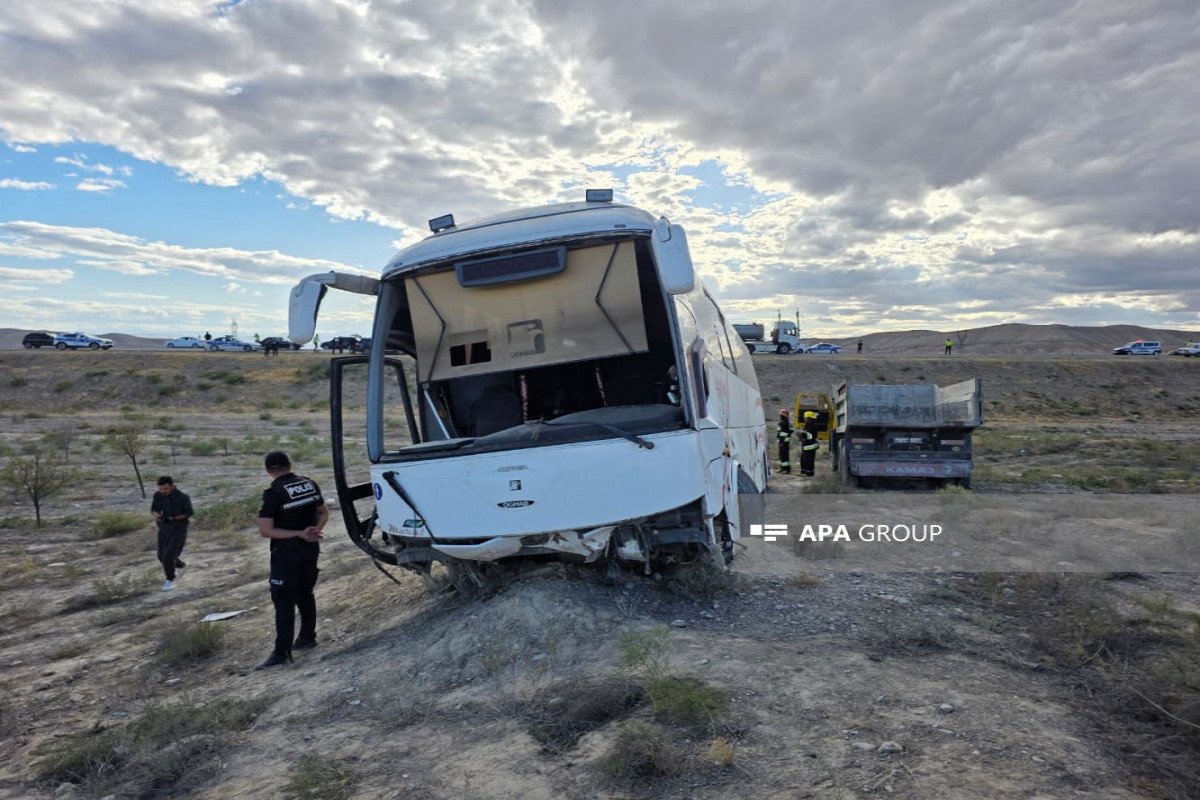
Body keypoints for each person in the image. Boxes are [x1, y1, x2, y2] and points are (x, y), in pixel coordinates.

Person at [255, 451, 328, 670]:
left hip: (287, 553)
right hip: (310, 548)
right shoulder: (309, 483)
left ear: (268, 470)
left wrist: (297, 534)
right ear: (289, 464)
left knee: (284, 600)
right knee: (305, 593)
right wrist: (314, 531)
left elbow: (265, 530)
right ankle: (307, 637)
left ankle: (281, 652)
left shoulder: (273, 493)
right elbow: (324, 513)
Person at [150, 476, 193, 592]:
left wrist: (173, 518)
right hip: (163, 529)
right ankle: (182, 566)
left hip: (179, 529)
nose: (163, 491)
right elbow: (153, 509)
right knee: (161, 556)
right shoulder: (157, 495)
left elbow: (189, 513)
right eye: (161, 489)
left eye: (166, 489)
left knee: (168, 557)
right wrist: (158, 516)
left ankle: (170, 580)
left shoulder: (183, 497)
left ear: (172, 486)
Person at [799, 412, 820, 477]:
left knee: (809, 461)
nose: (804, 419)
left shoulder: (812, 427)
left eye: (806, 418)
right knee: (803, 460)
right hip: (806, 447)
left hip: (809, 447)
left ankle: (809, 473)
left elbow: (809, 437)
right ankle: (803, 472)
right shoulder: (808, 426)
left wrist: (802, 436)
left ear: (810, 419)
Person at [776, 409, 793, 474]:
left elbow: (781, 433)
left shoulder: (782, 423)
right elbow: (791, 431)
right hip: (785, 441)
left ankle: (787, 469)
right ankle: (783, 468)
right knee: (782, 455)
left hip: (783, 442)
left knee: (784, 455)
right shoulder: (788, 423)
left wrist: (781, 442)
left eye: (781, 415)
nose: (780, 416)